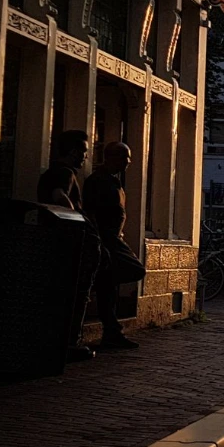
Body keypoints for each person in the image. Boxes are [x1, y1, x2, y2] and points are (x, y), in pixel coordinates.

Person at [37, 130, 98, 362]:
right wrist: (77, 220)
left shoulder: (52, 172)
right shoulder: (64, 173)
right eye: (83, 152)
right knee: (76, 292)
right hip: (68, 244)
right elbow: (59, 195)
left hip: (58, 242)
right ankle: (70, 341)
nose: (85, 157)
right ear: (73, 152)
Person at [82, 142, 147, 350]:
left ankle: (111, 330)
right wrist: (99, 240)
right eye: (125, 158)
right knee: (134, 269)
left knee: (108, 285)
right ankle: (110, 327)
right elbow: (91, 212)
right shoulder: (98, 181)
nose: (128, 162)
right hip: (107, 239)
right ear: (112, 158)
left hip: (114, 237)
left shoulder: (113, 181)